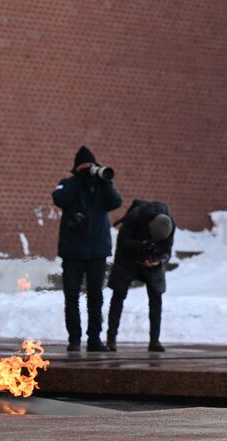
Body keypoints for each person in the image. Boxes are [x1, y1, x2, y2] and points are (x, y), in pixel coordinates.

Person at [52, 146, 122, 352]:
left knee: (95, 297)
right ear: (76, 168)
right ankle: (74, 339)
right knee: (71, 296)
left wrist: (104, 181)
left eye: (91, 166)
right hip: (72, 251)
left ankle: (94, 339)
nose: (89, 170)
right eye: (85, 167)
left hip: (97, 251)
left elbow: (116, 202)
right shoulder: (67, 184)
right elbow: (59, 199)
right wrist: (79, 180)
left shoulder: (101, 186)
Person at [107, 200, 175, 353]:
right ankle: (111, 339)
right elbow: (123, 243)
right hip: (127, 259)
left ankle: (155, 341)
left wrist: (158, 260)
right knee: (118, 293)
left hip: (152, 261)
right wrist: (142, 247)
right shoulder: (135, 217)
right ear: (149, 226)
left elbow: (167, 251)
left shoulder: (170, 224)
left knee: (156, 295)